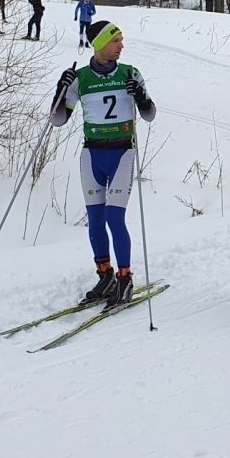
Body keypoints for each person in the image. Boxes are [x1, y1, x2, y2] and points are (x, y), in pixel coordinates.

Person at [48, 20, 157, 305]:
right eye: (115, 40)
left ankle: (124, 277)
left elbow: (149, 115)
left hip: (122, 153)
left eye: (121, 39)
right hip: (92, 154)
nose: (121, 45)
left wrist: (141, 97)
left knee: (113, 217)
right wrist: (60, 91)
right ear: (99, 44)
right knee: (94, 219)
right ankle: (105, 273)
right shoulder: (81, 78)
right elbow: (58, 120)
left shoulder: (130, 73)